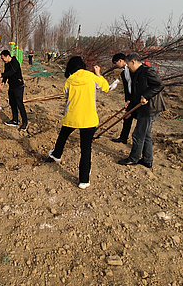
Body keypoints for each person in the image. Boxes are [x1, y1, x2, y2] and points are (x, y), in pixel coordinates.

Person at [44, 56, 109, 189]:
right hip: (89, 119)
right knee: (86, 149)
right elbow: (106, 87)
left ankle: (56, 154)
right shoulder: (91, 77)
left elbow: (65, 97)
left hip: (72, 116)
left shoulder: (69, 80)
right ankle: (83, 181)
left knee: (63, 135)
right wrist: (99, 74)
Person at [117, 53, 166, 169]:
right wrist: (129, 110)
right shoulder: (136, 73)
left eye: (128, 64)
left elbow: (159, 85)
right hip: (143, 107)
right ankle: (147, 160)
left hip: (150, 108)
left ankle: (133, 158)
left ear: (133, 61)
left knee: (138, 134)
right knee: (146, 134)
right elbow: (135, 94)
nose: (127, 67)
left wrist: (146, 96)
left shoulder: (147, 71)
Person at [0, 49, 28, 131]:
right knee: (12, 103)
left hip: (18, 86)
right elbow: (6, 72)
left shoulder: (15, 63)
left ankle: (25, 123)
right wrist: (3, 81)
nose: (3, 60)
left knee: (19, 104)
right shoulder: (7, 63)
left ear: (8, 56)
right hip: (11, 86)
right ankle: (15, 120)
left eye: (3, 58)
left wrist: (1, 75)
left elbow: (11, 72)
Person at [110, 53, 133, 144]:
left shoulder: (132, 69)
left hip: (138, 98)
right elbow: (126, 87)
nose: (116, 65)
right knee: (126, 116)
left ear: (120, 60)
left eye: (116, 63)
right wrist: (127, 100)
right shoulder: (123, 73)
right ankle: (123, 137)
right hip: (131, 97)